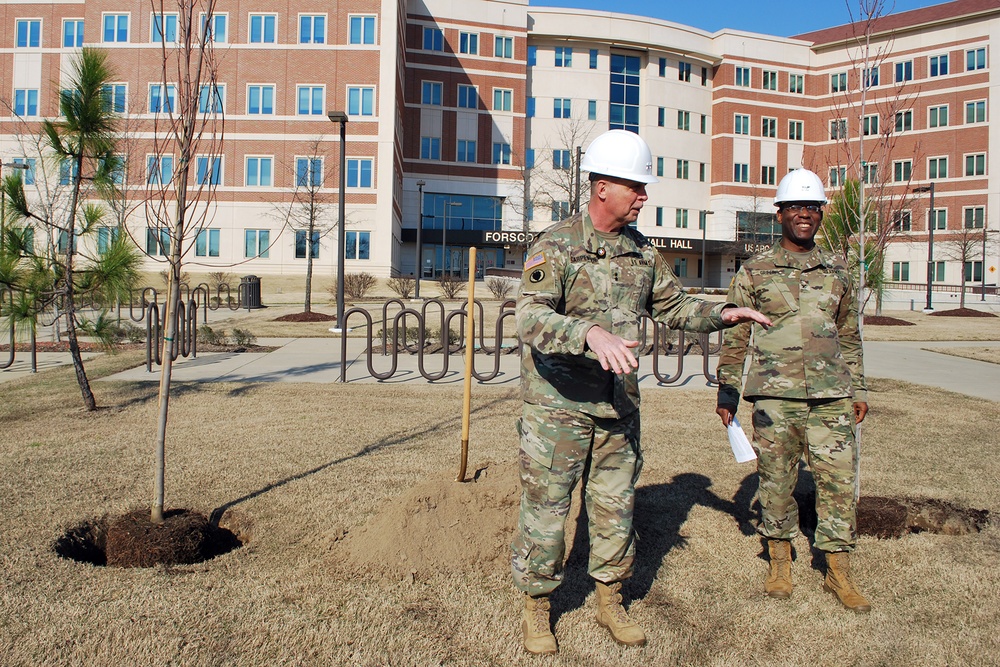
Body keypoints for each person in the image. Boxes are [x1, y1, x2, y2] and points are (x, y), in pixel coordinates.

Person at [512, 129, 772, 655]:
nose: (644, 196)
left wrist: (723, 314)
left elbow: (674, 306)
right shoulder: (557, 243)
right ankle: (538, 605)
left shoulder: (642, 254)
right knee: (547, 508)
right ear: (602, 186)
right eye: (637, 186)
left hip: (617, 407)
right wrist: (588, 333)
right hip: (557, 409)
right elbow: (530, 316)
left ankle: (611, 598)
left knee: (614, 506)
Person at [715, 168, 871, 613]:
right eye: (796, 207)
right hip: (774, 398)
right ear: (779, 213)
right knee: (776, 480)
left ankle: (838, 569)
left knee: (838, 483)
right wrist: (727, 392)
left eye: (813, 208)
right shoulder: (755, 271)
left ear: (821, 214)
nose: (805, 214)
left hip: (831, 398)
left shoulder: (838, 270)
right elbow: (736, 336)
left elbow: (848, 335)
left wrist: (858, 389)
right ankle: (779, 561)